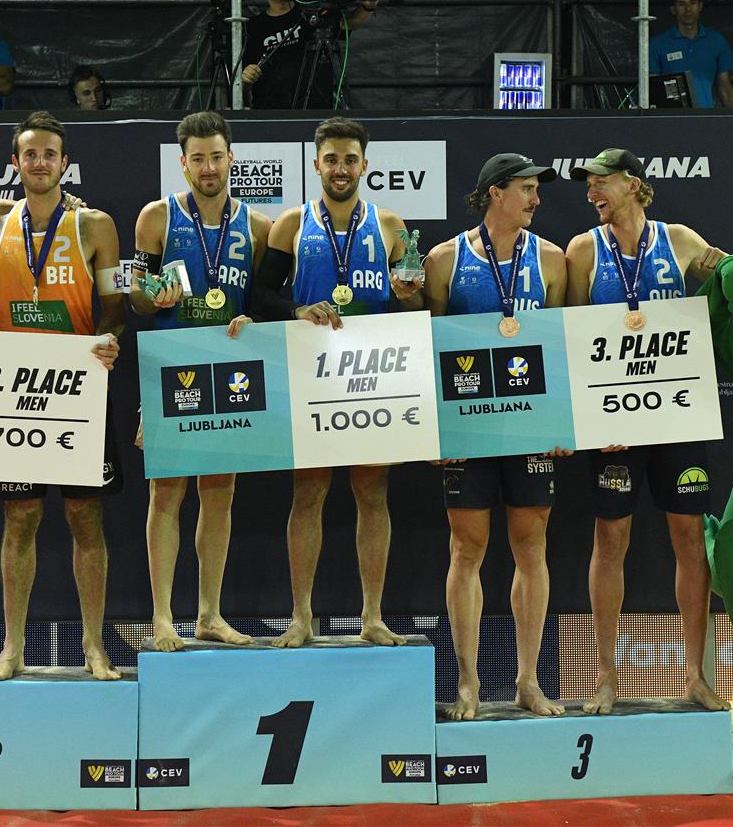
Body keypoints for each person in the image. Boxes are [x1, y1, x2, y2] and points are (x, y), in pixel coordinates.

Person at [564, 147, 728, 714]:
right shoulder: (583, 250)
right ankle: (605, 676)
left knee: (690, 538)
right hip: (615, 421)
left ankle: (696, 676)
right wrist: (588, 416)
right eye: (588, 184)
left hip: (677, 415)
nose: (591, 192)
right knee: (611, 539)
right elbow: (570, 335)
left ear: (633, 184)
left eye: (601, 181)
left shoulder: (678, 240)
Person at [252, 116, 422, 647]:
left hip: (374, 374)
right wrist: (297, 309)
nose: (341, 169)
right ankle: (301, 616)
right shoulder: (291, 223)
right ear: (316, 164)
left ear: (365, 165)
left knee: (373, 492)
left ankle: (373, 616)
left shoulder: (390, 224)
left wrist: (409, 293)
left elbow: (414, 298)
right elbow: (260, 297)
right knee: (308, 492)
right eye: (332, 160)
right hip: (312, 373)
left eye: (350, 159)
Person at [0, 111, 124, 680]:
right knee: (20, 519)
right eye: (30, 154)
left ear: (65, 163)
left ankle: (94, 645)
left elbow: (115, 307)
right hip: (14, 389)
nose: (40, 163)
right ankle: (12, 647)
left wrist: (109, 337)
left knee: (86, 518)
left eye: (50, 154)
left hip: (77, 386)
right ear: (16, 162)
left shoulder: (95, 225)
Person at [423, 153, 570, 719]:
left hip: (530, 426)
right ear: (495, 193)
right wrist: (437, 431)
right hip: (469, 428)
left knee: (532, 546)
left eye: (536, 189)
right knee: (467, 548)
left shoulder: (552, 259)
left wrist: (561, 422)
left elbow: (560, 348)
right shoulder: (445, 260)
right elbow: (430, 350)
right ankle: (468, 682)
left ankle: (528, 681)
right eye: (526, 189)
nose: (536, 199)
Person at [130, 111, 271, 652]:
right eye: (197, 159)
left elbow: (263, 303)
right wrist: (152, 296)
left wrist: (256, 318)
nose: (208, 167)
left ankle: (209, 613)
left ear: (231, 158)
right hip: (173, 368)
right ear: (183, 163)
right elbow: (134, 295)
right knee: (166, 492)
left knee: (220, 492)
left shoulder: (258, 227)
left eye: (216, 157)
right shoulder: (156, 217)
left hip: (232, 372)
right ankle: (163, 617)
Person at [240, 0, 376, 109]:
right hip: (271, 112)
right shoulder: (252, 28)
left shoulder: (313, 12)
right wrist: (246, 78)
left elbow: (350, 23)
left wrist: (367, 7)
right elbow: (243, 83)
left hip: (316, 110)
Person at [649, 0, 733, 109]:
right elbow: (652, 90)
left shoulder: (716, 41)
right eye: (682, 4)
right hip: (670, 118)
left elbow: (725, 88)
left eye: (693, 3)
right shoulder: (656, 44)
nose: (688, 9)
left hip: (706, 117)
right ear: (673, 9)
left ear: (700, 6)